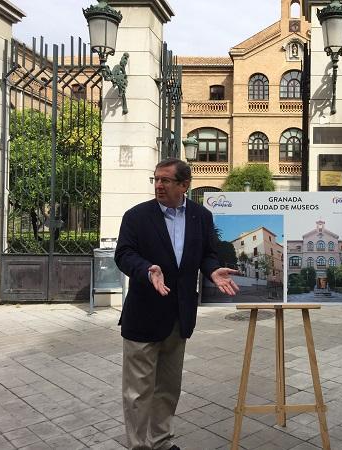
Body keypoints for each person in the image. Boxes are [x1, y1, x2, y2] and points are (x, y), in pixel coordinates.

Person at [115, 158, 239, 450]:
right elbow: (123, 254)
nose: (158, 185)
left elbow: (208, 253)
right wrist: (146, 269)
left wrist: (212, 270)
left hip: (179, 316)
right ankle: (138, 446)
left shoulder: (201, 216)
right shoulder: (136, 216)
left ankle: (160, 441)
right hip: (143, 315)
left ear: (184, 185)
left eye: (166, 180)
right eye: (156, 179)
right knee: (137, 391)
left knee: (168, 389)